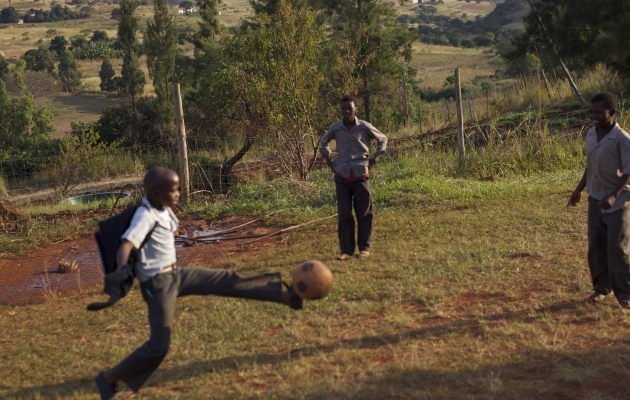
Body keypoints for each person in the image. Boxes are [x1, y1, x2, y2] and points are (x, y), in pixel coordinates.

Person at [94, 167, 303, 399]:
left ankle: (287, 297)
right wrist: (123, 268)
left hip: (176, 275)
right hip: (157, 286)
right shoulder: (145, 215)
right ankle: (108, 378)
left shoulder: (163, 209)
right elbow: (125, 245)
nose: (178, 195)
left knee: (226, 279)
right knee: (158, 347)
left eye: (178, 189)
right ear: (156, 192)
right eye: (173, 191)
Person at [568, 92, 630, 308]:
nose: (593, 116)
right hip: (595, 198)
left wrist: (613, 195)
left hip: (618, 201)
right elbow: (590, 166)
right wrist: (578, 190)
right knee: (596, 245)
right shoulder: (591, 135)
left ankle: (625, 294)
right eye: (591, 111)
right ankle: (601, 288)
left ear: (611, 113)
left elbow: (628, 172)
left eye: (598, 112)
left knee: (617, 248)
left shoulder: (622, 138)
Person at [320, 95, 388, 260]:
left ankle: (364, 248)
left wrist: (376, 157)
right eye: (343, 108)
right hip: (342, 176)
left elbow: (383, 139)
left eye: (349, 108)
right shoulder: (336, 129)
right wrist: (329, 160)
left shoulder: (364, 127)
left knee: (364, 213)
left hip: (360, 175)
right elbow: (323, 142)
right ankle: (346, 250)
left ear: (355, 109)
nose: (346, 111)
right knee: (344, 213)